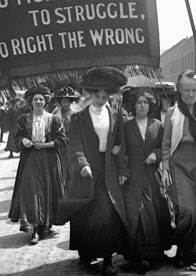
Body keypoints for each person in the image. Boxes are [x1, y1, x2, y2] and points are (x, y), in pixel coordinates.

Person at [68, 66, 129, 276]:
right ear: (90, 94)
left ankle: (108, 260)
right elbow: (74, 145)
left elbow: (121, 144)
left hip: (109, 169)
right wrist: (82, 163)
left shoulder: (115, 115)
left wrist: (121, 166)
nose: (101, 99)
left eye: (105, 96)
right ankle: (86, 253)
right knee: (86, 214)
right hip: (87, 171)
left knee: (108, 215)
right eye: (97, 95)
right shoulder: (78, 118)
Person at [160, 70, 196, 272]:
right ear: (180, 90)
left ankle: (191, 254)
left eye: (194, 90)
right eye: (186, 90)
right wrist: (165, 168)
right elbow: (166, 144)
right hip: (179, 166)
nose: (191, 94)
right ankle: (182, 245)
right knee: (188, 211)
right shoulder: (173, 113)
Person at [8, 86, 68, 245]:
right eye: (35, 99)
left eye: (41, 99)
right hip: (30, 159)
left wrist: (46, 145)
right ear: (30, 102)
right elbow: (16, 138)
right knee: (31, 191)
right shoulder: (23, 119)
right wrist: (23, 141)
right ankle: (35, 228)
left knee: (48, 190)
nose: (38, 102)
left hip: (49, 160)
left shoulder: (54, 120)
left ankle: (45, 224)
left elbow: (62, 140)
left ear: (46, 101)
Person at [122, 87, 165, 272]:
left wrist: (156, 154)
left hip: (152, 177)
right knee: (136, 214)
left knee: (154, 213)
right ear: (134, 105)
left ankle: (154, 254)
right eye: (139, 102)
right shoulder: (125, 127)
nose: (142, 106)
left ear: (150, 105)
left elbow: (165, 146)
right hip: (134, 176)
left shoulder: (158, 125)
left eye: (145, 103)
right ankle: (137, 255)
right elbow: (122, 150)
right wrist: (123, 171)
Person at [51, 86, 81, 188]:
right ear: (60, 102)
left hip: (73, 145)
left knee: (74, 170)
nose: (66, 104)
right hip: (61, 147)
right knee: (62, 171)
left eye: (68, 101)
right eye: (64, 102)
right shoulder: (55, 115)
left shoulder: (76, 113)